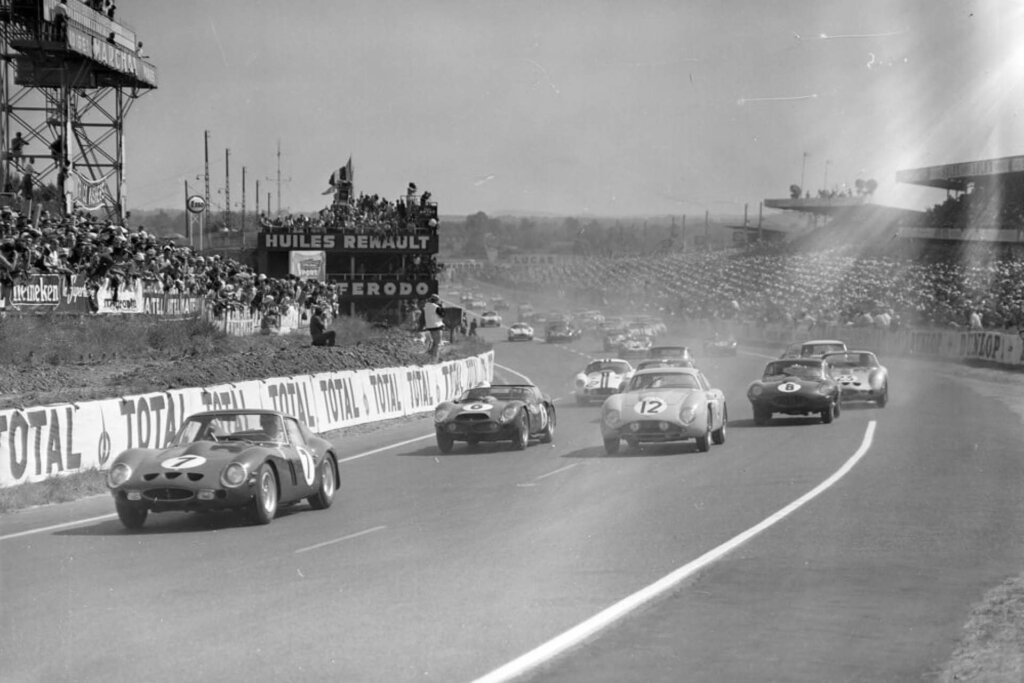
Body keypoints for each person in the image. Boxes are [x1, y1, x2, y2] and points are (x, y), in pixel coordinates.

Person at [421, 294, 445, 360]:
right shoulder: (436, 307)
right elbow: (443, 314)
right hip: (437, 326)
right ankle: (434, 358)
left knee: (434, 342)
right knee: (438, 343)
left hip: (429, 326)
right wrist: (442, 306)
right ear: (436, 300)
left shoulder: (426, 306)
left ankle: (430, 355)